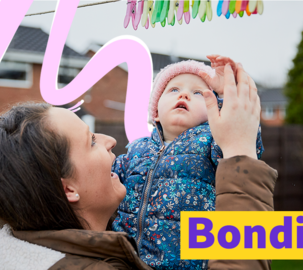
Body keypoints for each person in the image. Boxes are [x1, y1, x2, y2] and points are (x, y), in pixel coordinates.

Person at [0, 63, 277, 270]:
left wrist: (225, 99)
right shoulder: (142, 152)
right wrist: (242, 153)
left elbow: (231, 133)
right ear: (69, 189)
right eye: (91, 141)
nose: (110, 142)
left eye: (197, 93)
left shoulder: (18, 251)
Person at [111, 56, 264, 269]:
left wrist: (230, 91)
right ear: (155, 112)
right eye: (173, 90)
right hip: (127, 260)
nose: (184, 94)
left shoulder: (211, 142)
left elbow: (243, 142)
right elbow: (104, 180)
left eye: (198, 93)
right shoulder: (136, 149)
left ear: (214, 111)